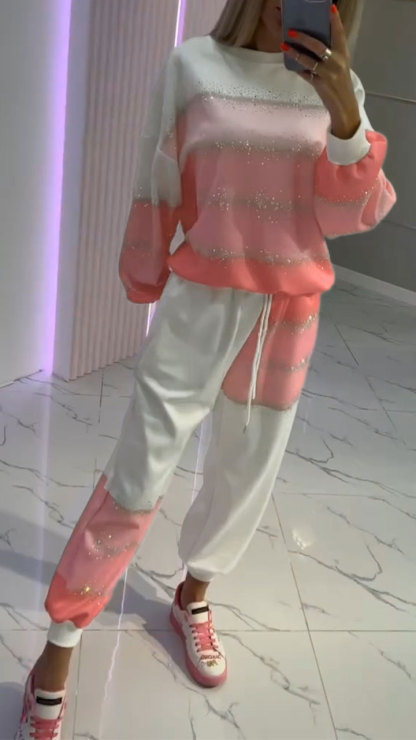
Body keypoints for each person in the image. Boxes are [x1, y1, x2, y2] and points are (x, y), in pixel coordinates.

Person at [16, 0, 396, 737]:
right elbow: (160, 176)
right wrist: (144, 269)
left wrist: (348, 120)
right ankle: (59, 644)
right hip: (199, 302)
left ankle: (193, 594)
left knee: (245, 468)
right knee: (140, 469)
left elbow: (354, 212)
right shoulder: (192, 67)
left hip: (286, 311)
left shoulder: (338, 87)